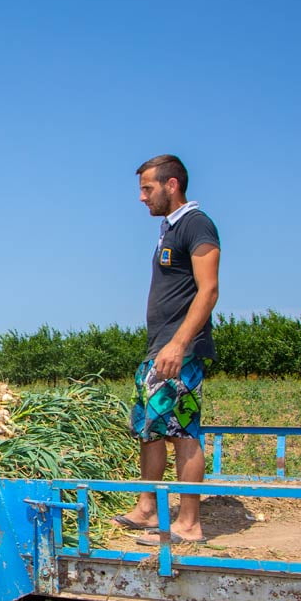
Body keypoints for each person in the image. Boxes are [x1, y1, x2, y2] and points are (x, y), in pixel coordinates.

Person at [114, 154, 220, 545]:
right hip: (158, 349)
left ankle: (189, 523)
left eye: (147, 188)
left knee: (183, 432)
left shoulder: (196, 224)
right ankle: (147, 509)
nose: (142, 197)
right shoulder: (168, 228)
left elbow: (208, 290)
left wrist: (179, 343)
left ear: (171, 184)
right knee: (150, 430)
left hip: (180, 349)